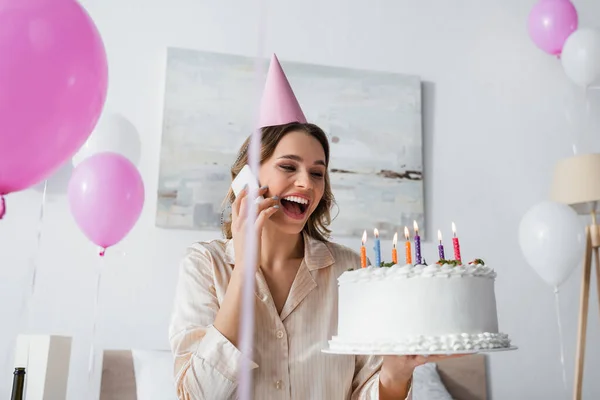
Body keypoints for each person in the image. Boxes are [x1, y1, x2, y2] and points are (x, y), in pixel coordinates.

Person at [169, 54, 455, 399]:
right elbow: (196, 395)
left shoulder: (350, 271)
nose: (306, 183)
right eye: (289, 167)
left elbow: (366, 390)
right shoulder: (204, 265)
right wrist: (244, 270)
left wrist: (394, 375)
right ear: (249, 177)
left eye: (317, 172)